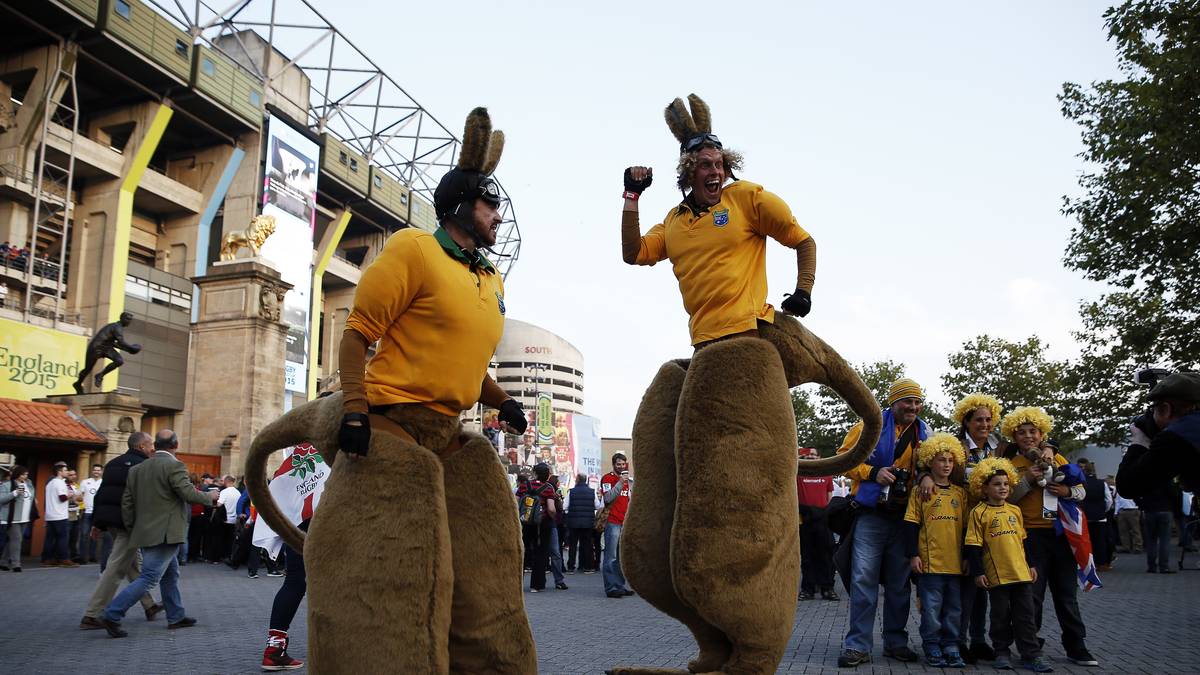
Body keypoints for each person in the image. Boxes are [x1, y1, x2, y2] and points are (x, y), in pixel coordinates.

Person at [245, 107, 536, 672]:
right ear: (460, 207)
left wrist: (503, 401)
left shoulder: (488, 278)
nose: (499, 215)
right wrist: (354, 409)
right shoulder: (413, 249)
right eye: (490, 203)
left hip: (449, 430)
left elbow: (465, 365)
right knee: (402, 571)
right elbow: (356, 337)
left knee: (483, 543)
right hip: (390, 422)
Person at [836, 378, 930, 668]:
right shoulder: (868, 426)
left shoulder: (925, 432)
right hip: (871, 515)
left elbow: (937, 462)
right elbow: (843, 459)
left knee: (899, 584)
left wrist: (925, 474)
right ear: (893, 402)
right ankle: (858, 645)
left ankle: (896, 642)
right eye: (906, 401)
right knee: (863, 578)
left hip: (905, 517)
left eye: (917, 401)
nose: (913, 406)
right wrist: (873, 472)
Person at [1000, 407, 1099, 667]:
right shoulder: (1010, 465)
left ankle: (1076, 645)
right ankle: (1032, 645)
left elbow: (1082, 492)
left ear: (1042, 433)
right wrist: (1026, 482)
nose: (1028, 436)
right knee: (1032, 595)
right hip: (1029, 535)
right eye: (1021, 433)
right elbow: (1005, 498)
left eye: (1033, 431)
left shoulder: (1058, 458)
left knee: (1066, 594)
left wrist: (1067, 490)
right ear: (1014, 437)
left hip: (1061, 534)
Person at [99, 430, 216, 638]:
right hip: (166, 533)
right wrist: (210, 496)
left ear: (155, 446)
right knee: (150, 577)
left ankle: (176, 616)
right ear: (176, 444)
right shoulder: (175, 466)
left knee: (170, 574)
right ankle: (112, 613)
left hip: (145, 531)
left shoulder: (137, 469)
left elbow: (127, 502)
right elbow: (187, 493)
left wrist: (134, 526)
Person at [964, 458, 1049, 672]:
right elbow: (973, 546)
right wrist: (978, 572)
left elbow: (1023, 540)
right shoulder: (978, 513)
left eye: (1005, 484)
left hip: (1021, 574)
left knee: (1026, 617)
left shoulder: (1015, 511)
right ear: (984, 488)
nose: (1002, 488)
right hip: (997, 576)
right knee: (1000, 616)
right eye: (996, 484)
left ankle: (1031, 654)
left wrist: (1031, 565)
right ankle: (1002, 652)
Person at [80, 432, 164, 629]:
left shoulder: (113, 463)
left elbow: (103, 495)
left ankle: (149, 605)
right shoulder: (144, 466)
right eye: (150, 444)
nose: (152, 448)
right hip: (128, 523)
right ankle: (92, 613)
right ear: (142, 446)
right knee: (116, 567)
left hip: (111, 521)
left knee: (133, 565)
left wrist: (97, 523)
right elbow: (145, 498)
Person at [903, 433, 968, 668]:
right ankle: (931, 645)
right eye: (941, 460)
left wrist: (968, 558)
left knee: (953, 609)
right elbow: (911, 523)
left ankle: (951, 645)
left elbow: (967, 529)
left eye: (950, 461)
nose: (946, 465)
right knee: (930, 609)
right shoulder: (920, 491)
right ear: (930, 462)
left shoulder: (961, 494)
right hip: (930, 563)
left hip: (955, 564)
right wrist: (913, 554)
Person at [951, 393, 1003, 663]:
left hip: (991, 524)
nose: (985, 424)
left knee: (983, 584)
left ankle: (979, 639)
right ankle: (959, 641)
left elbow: (1039, 443)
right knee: (966, 584)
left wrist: (1050, 447)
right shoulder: (956, 448)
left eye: (988, 419)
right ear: (967, 422)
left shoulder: (1000, 447)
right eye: (979, 420)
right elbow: (932, 467)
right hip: (963, 523)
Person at [1117, 372, 1200, 503]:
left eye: (1153, 409)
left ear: (1166, 409)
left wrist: (1139, 442)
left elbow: (1128, 486)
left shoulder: (1179, 436)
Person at [796, 448, 836, 601]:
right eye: (809, 455)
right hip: (804, 518)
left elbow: (829, 496)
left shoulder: (826, 474)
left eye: (814, 455)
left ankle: (827, 588)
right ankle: (808, 589)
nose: (811, 457)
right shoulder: (799, 473)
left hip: (822, 518)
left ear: (820, 457)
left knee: (825, 556)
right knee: (806, 556)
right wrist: (801, 455)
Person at [71, 311, 141, 393]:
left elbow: (115, 343)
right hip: (96, 347)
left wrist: (129, 350)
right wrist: (131, 348)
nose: (129, 321)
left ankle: (100, 375)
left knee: (119, 361)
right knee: (87, 369)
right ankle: (78, 383)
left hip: (106, 347)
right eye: (127, 319)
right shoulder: (117, 327)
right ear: (121, 318)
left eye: (130, 320)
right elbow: (121, 343)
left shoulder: (117, 327)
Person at [521, 463, 561, 593]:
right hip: (542, 525)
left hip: (525, 523)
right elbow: (551, 509)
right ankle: (536, 585)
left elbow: (514, 503)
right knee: (540, 553)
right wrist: (552, 517)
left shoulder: (524, 485)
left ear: (535, 473)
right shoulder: (548, 488)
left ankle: (516, 583)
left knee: (523, 551)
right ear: (547, 475)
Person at [599, 453, 633, 599]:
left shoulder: (628, 481)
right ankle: (611, 587)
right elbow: (607, 498)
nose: (621, 466)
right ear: (613, 464)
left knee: (620, 557)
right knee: (610, 557)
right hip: (612, 522)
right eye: (618, 464)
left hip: (624, 522)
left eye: (623, 464)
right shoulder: (608, 478)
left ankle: (619, 585)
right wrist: (620, 482)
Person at [0, 465, 35, 571]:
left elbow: (31, 497)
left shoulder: (28, 484)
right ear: (17, 474)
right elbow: (1, 499)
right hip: (12, 517)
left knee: (12, 541)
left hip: (24, 517)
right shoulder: (7, 485)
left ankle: (3, 562)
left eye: (27, 474)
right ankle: (16, 564)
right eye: (23, 474)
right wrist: (14, 493)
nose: (25, 476)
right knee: (17, 540)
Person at [41, 461, 75, 567]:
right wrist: (70, 495)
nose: (67, 472)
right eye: (65, 470)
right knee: (62, 538)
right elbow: (62, 498)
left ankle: (47, 559)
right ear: (59, 472)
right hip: (59, 514)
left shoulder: (50, 483)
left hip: (50, 515)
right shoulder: (60, 483)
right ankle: (64, 559)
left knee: (50, 538)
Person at [565, 474, 596, 574]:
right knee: (587, 545)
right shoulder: (592, 492)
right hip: (588, 522)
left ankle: (571, 567)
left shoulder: (571, 492)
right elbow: (598, 505)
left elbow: (565, 506)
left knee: (573, 545)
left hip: (574, 522)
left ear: (577, 480)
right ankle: (587, 567)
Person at [79, 464, 103, 563]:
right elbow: (80, 496)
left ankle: (93, 556)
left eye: (98, 470)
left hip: (98, 513)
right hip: (87, 512)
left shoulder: (104, 482)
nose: (96, 472)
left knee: (95, 535)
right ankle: (82, 557)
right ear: (92, 471)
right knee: (84, 534)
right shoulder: (85, 482)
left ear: (101, 471)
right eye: (95, 470)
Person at [215, 475, 241, 563]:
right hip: (234, 519)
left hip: (225, 518)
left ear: (226, 481)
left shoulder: (224, 492)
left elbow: (219, 504)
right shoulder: (238, 492)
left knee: (221, 538)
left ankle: (220, 556)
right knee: (230, 539)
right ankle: (228, 555)